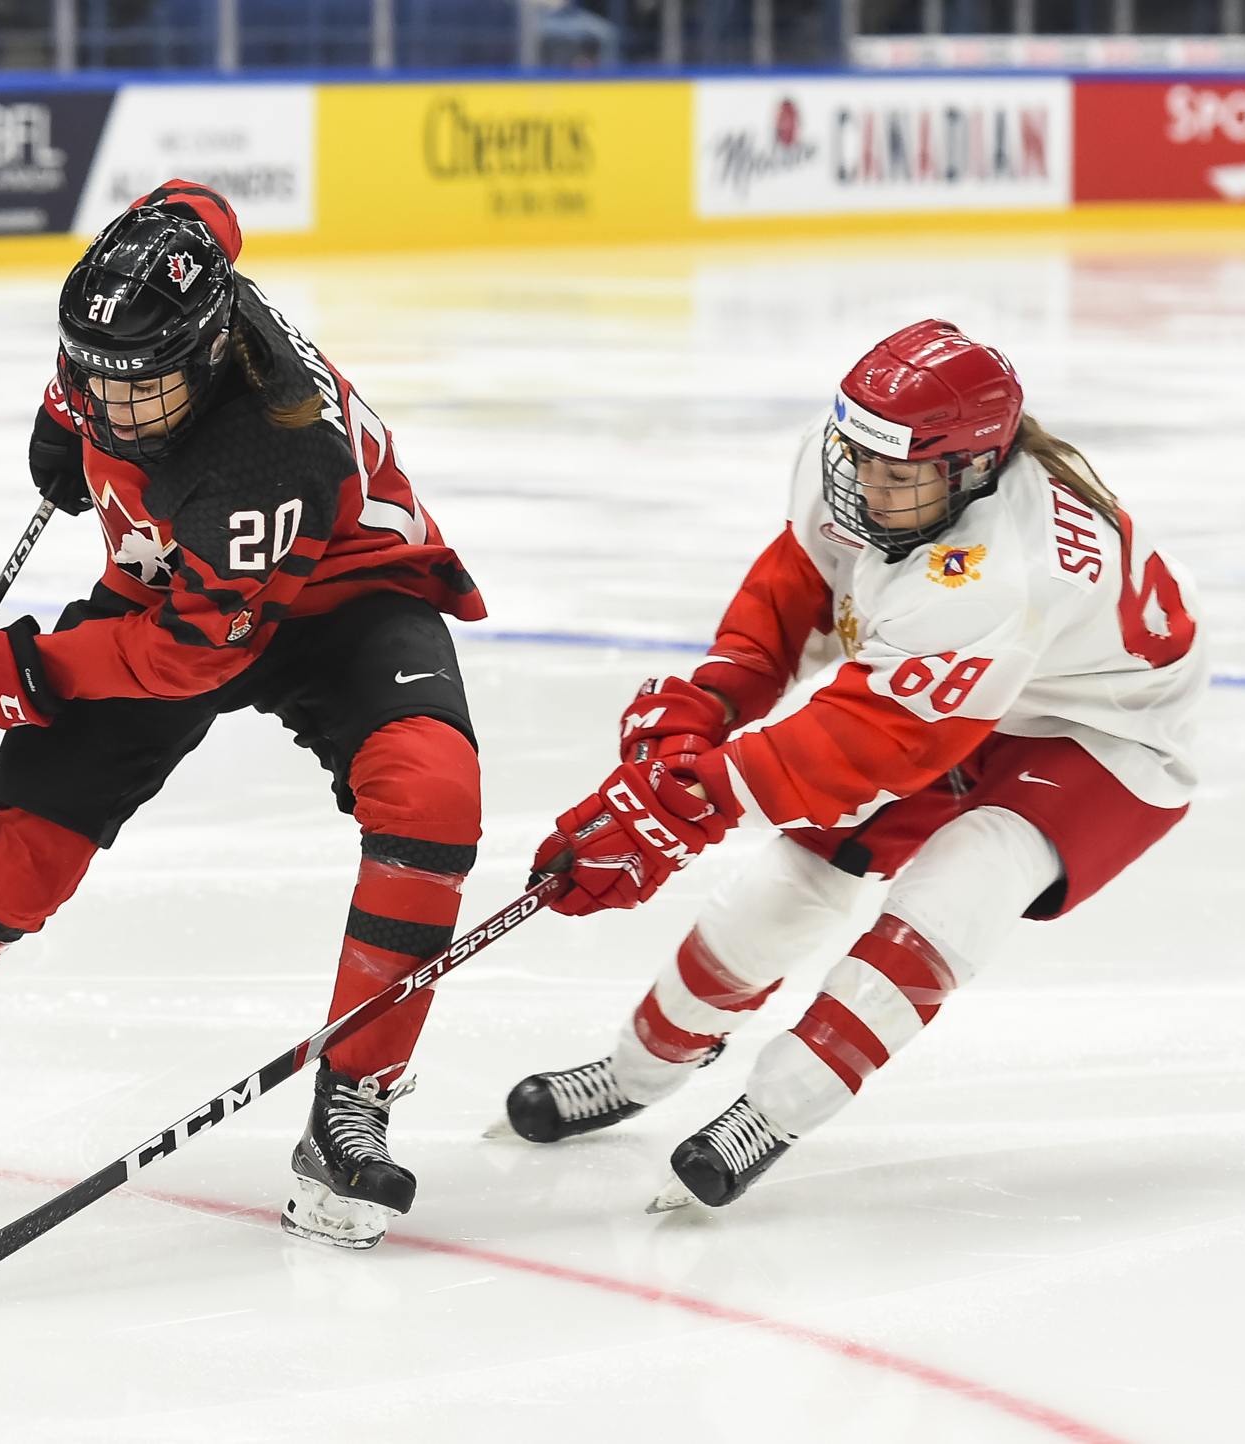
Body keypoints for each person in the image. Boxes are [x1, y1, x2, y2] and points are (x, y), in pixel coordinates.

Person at [0, 182, 488, 1250]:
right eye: (92, 378)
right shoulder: (158, 291)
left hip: (338, 597)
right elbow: (191, 204)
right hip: (178, 581)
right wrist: (60, 409)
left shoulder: (268, 453)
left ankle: (352, 1098)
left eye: (141, 388)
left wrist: (4, 673)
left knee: (431, 796)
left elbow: (185, 654)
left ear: (210, 352)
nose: (114, 408)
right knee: (26, 852)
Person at [505, 319, 1205, 1209]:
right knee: (789, 881)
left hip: (1105, 732)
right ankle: (637, 1070)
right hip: (975, 690)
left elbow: (876, 737)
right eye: (860, 458)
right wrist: (709, 703)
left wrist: (697, 799)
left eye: (898, 476)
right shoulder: (870, 461)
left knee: (959, 887)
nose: (868, 486)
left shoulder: (1003, 574)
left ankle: (775, 1109)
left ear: (971, 469)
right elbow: (798, 589)